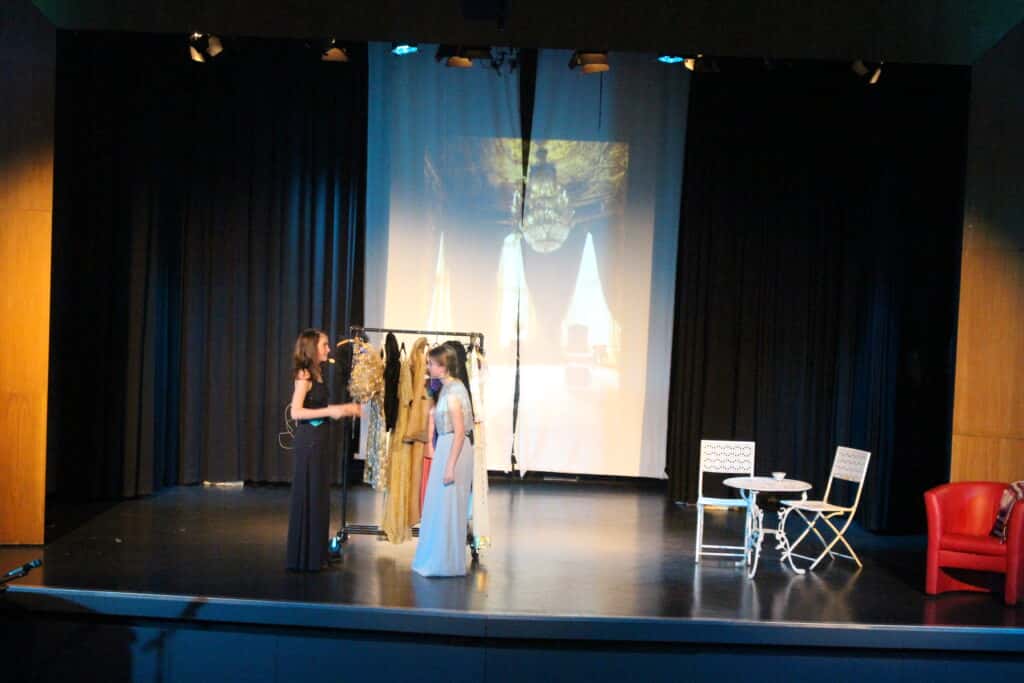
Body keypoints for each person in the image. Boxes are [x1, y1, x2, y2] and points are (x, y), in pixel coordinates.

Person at [287, 328, 360, 571]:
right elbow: (296, 412)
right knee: (310, 494)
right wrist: (331, 411)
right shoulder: (304, 374)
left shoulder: (318, 373)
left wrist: (345, 409)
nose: (328, 349)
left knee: (318, 496)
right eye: (324, 345)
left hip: (319, 440)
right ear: (312, 348)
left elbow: (320, 407)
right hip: (309, 440)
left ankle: (316, 554)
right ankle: (305, 557)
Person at [411, 344, 475, 577]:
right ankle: (440, 558)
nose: (428, 367)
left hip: (453, 449)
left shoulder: (454, 392)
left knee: (448, 506)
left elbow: (459, 432)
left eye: (431, 363)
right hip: (447, 447)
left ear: (443, 366)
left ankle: (444, 563)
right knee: (441, 506)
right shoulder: (449, 388)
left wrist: (449, 466)